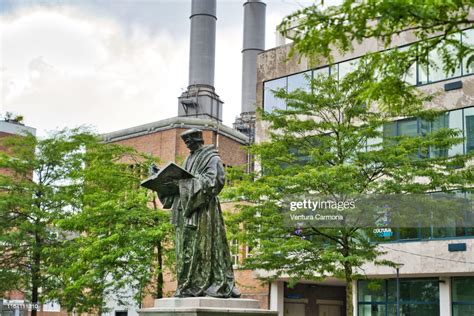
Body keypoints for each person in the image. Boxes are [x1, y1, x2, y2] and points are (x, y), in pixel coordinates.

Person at [156, 128, 240, 298]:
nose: (188, 145)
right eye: (185, 142)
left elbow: (214, 182)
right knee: (184, 249)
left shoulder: (211, 157)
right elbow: (182, 183)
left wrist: (184, 183)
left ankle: (203, 283)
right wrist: (161, 180)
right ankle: (188, 285)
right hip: (185, 212)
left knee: (202, 247)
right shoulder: (189, 158)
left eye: (190, 141)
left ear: (198, 139)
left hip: (203, 212)